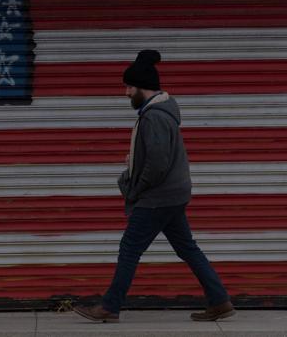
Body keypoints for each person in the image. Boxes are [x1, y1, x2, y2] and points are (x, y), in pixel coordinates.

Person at [73, 49, 236, 323]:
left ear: (142, 88)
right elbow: (157, 155)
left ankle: (110, 306)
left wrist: (136, 189)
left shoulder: (154, 117)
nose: (126, 93)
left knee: (130, 249)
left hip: (158, 196)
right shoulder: (159, 112)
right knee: (187, 248)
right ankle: (219, 301)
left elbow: (158, 163)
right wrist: (135, 160)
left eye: (129, 87)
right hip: (173, 194)